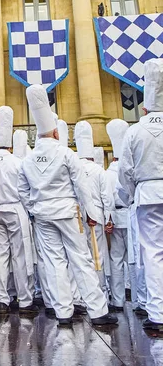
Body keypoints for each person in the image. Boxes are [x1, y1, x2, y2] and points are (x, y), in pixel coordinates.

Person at [17, 84, 117, 326]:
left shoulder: (27, 160)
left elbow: (22, 190)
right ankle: (98, 311)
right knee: (80, 259)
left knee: (54, 263)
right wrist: (91, 213)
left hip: (43, 214)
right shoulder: (66, 154)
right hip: (68, 212)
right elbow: (82, 187)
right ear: (55, 133)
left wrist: (34, 208)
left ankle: (63, 313)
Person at [118, 58, 163, 332]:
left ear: (144, 106)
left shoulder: (134, 131)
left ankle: (158, 313)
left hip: (148, 195)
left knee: (154, 254)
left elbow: (125, 171)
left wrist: (132, 195)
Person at [0, 106, 37, 316]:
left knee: (0, 255)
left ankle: (2, 299)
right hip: (15, 209)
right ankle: (24, 299)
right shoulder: (17, 162)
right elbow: (27, 189)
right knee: (19, 255)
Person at [74, 120, 114, 299]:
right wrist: (108, 218)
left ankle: (85, 295)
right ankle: (101, 294)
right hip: (96, 215)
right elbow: (107, 197)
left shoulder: (75, 168)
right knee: (99, 257)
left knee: (82, 256)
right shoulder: (99, 171)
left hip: (78, 216)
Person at [105, 119, 130, 312]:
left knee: (116, 260)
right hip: (133, 216)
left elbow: (107, 199)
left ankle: (118, 300)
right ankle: (141, 300)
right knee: (136, 259)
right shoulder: (131, 168)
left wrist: (109, 219)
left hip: (116, 218)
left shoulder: (108, 173)